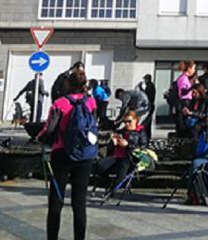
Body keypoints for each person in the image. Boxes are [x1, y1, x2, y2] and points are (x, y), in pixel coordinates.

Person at [40, 67, 97, 240]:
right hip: (84, 155)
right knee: (79, 204)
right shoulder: (90, 102)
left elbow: (49, 129)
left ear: (68, 84)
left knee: (56, 203)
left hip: (62, 154)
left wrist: (40, 138)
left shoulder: (60, 103)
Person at [97, 110, 147, 190]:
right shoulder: (122, 131)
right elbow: (111, 148)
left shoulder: (140, 132)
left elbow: (142, 148)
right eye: (125, 122)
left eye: (129, 121)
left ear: (135, 120)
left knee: (123, 167)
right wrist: (113, 143)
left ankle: (113, 189)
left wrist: (127, 145)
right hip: (117, 155)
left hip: (130, 157)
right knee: (101, 166)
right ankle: (108, 184)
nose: (127, 124)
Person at [136, 74, 156, 140]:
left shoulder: (150, 86)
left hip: (149, 106)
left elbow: (146, 96)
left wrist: (141, 88)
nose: (145, 81)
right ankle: (147, 136)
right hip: (149, 105)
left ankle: (147, 136)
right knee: (147, 122)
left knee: (146, 122)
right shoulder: (150, 86)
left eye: (145, 79)